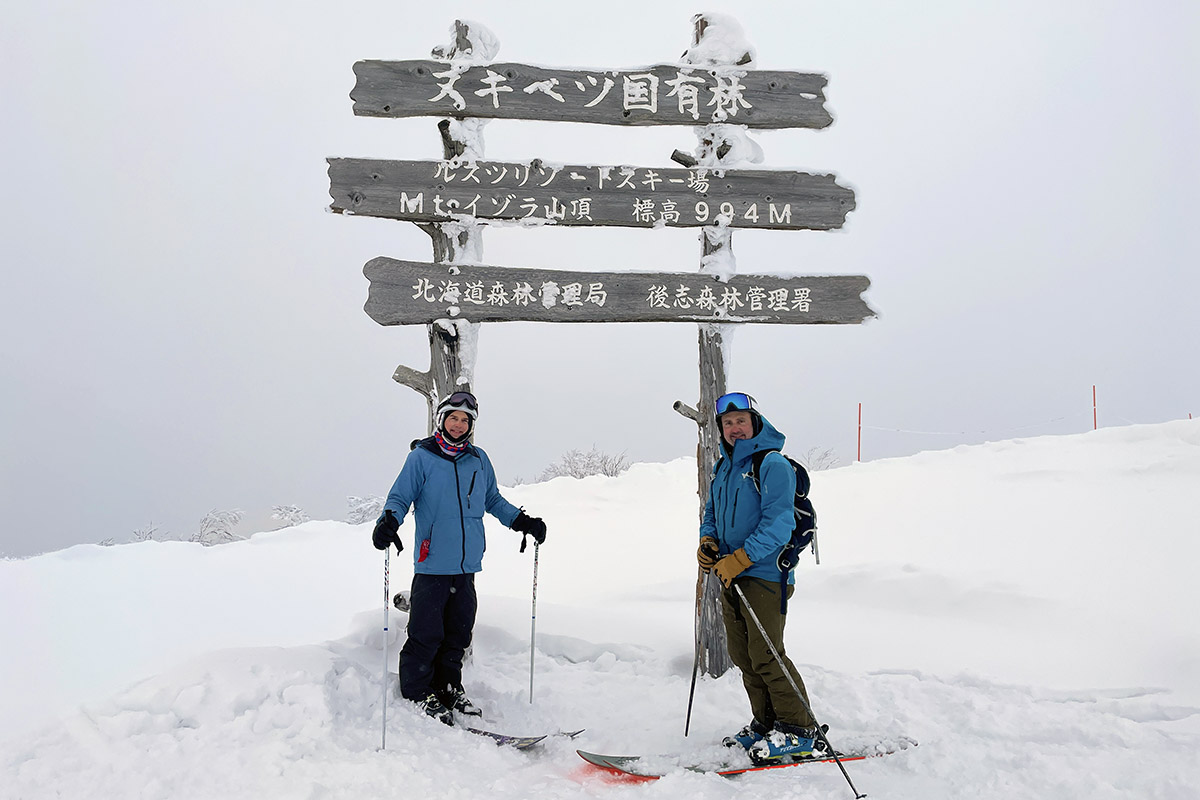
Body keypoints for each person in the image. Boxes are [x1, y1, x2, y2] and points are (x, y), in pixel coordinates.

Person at [371, 390, 547, 725]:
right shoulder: (421, 458)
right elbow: (400, 496)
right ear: (442, 420)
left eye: (465, 420)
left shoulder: (478, 460)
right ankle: (418, 691)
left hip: (466, 566)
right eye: (453, 417)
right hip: (433, 563)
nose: (458, 424)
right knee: (426, 633)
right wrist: (389, 520)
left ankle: (449, 685)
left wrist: (521, 521)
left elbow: (492, 499)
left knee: (458, 633)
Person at [697, 391, 819, 762]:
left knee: (767, 653)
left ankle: (800, 729)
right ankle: (767, 723)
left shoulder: (771, 465)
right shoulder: (724, 468)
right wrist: (708, 541)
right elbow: (712, 513)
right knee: (744, 656)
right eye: (728, 423)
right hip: (730, 573)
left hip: (765, 573)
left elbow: (780, 524)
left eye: (741, 421)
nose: (734, 428)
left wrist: (742, 558)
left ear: (755, 423)